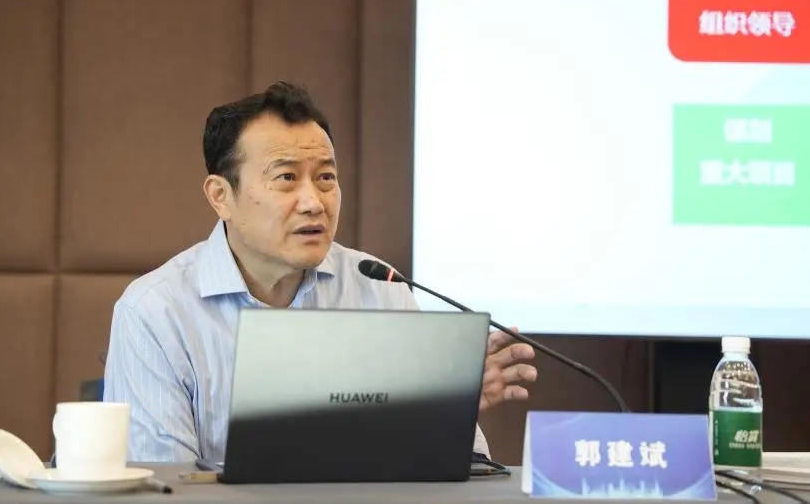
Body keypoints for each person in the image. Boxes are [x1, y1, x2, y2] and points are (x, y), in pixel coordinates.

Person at [102, 81, 538, 463]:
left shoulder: (380, 290)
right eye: (286, 178)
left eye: (326, 178)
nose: (314, 202)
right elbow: (163, 487)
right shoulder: (156, 312)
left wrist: (441, 419)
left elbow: (455, 476)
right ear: (221, 196)